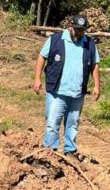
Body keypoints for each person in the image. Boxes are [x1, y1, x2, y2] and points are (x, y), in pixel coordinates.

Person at [33, 14, 101, 160]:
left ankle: (70, 150)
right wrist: (37, 78)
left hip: (77, 93)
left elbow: (95, 65)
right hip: (57, 91)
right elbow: (42, 57)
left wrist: (97, 85)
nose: (79, 33)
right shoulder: (56, 40)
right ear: (70, 27)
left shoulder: (89, 44)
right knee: (52, 123)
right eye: (77, 30)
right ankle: (50, 152)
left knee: (73, 123)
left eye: (82, 30)